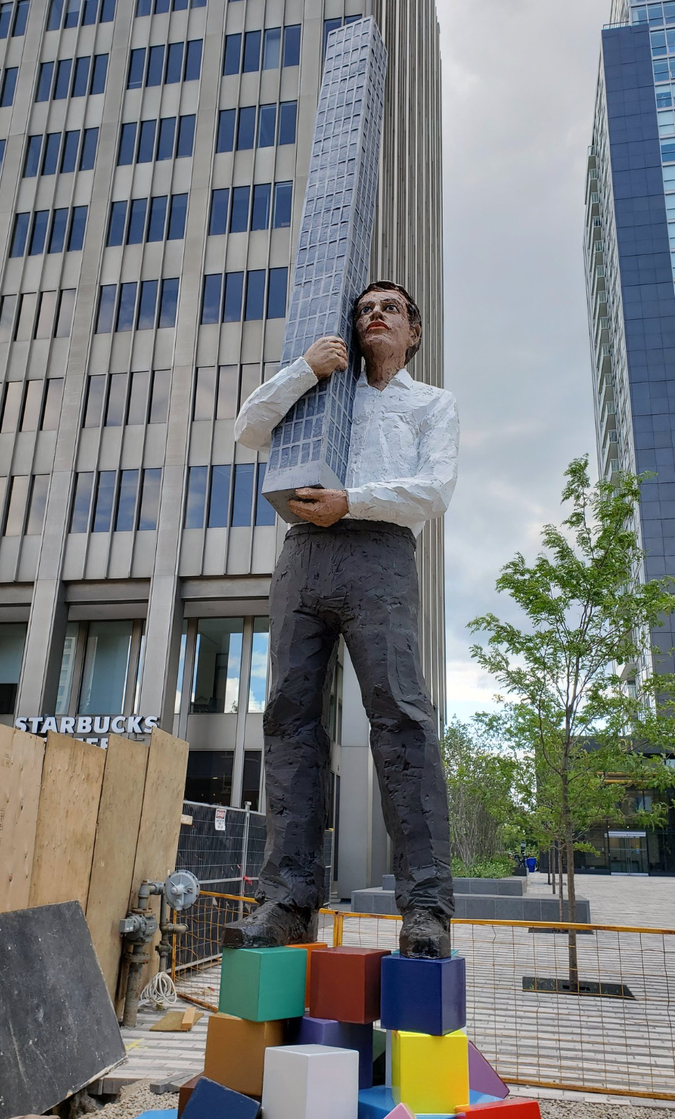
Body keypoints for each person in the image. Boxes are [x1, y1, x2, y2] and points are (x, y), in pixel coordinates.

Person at [225, 281, 459, 958]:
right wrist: (305, 367)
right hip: (304, 555)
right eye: (364, 310)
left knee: (401, 715)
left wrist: (351, 500)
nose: (374, 316)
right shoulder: (328, 389)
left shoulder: (432, 404)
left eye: (389, 308)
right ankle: (288, 899)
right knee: (288, 715)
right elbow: (246, 428)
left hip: (379, 554)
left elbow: (434, 489)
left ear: (413, 331)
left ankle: (425, 907)